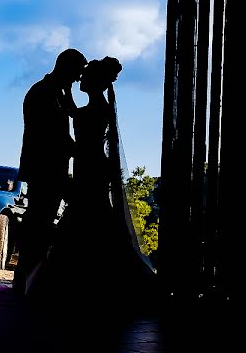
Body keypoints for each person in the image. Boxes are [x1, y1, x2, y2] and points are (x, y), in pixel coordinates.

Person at [25, 56, 159, 312]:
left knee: (84, 217)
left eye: (84, 78)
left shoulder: (95, 110)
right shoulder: (97, 107)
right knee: (92, 218)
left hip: (90, 167)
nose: (80, 80)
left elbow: (77, 126)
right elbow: (74, 113)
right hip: (90, 166)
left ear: (95, 82)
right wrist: (65, 92)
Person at [12, 48, 87, 295]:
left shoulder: (55, 92)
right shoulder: (42, 93)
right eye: (76, 73)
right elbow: (51, 134)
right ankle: (28, 279)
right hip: (44, 170)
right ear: (65, 67)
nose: (77, 79)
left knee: (41, 224)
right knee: (38, 224)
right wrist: (82, 151)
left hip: (50, 169)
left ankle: (31, 278)